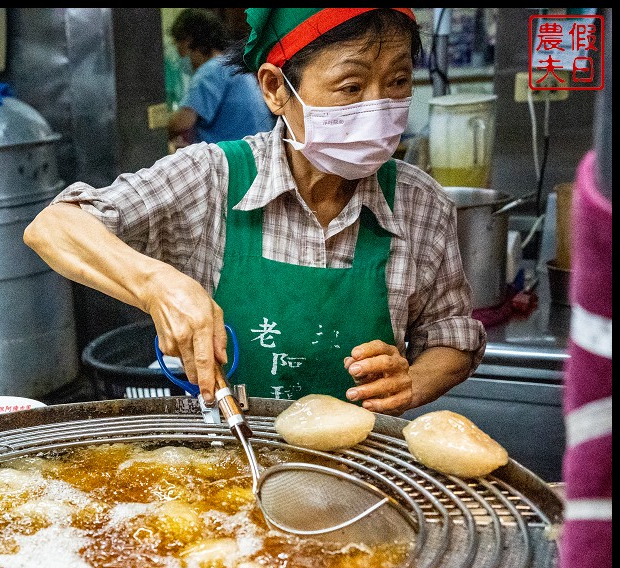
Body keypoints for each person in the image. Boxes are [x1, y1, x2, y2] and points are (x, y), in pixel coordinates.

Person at [24, 8, 486, 413]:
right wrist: (155, 284)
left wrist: (413, 382)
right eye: (351, 85)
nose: (379, 107)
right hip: (223, 474)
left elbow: (452, 337)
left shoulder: (420, 203)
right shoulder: (212, 178)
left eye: (398, 81)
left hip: (359, 475)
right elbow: (54, 226)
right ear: (275, 89)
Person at [167, 8, 276, 147]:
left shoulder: (210, 71)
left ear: (188, 41)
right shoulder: (231, 64)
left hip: (234, 159)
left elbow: (180, 122)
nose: (177, 51)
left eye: (177, 44)